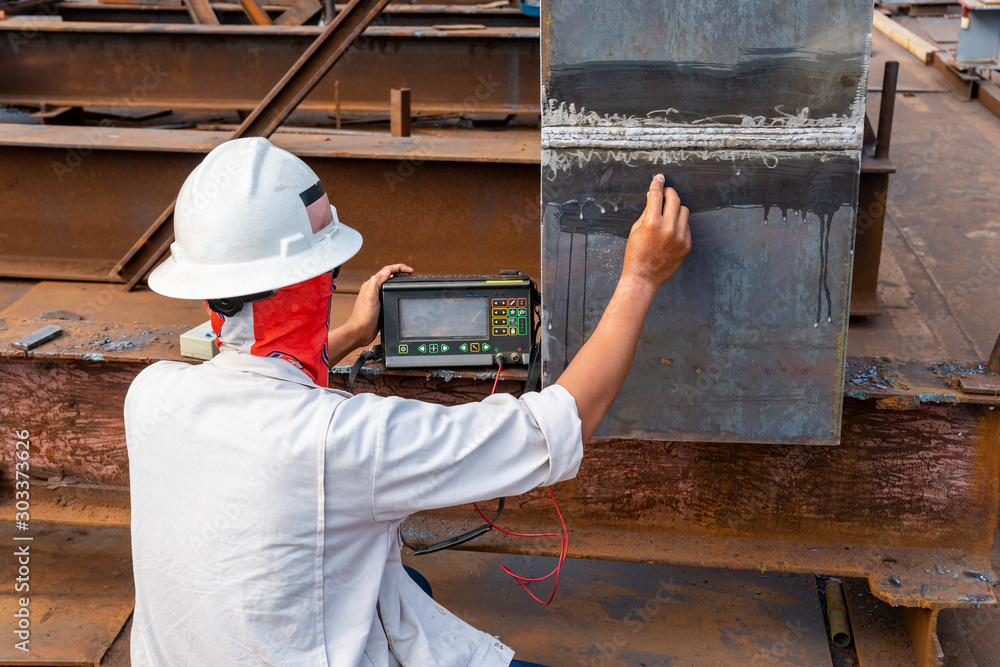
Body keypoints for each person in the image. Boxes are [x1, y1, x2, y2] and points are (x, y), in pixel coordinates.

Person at [124, 137, 690, 666]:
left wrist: (349, 334)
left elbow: (261, 376)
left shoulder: (150, 394)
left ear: (206, 294)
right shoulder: (348, 440)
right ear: (318, 281)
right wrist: (640, 278)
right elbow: (556, 425)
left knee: (406, 584)